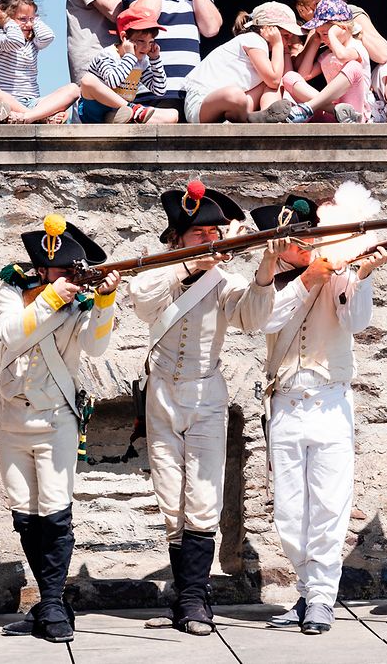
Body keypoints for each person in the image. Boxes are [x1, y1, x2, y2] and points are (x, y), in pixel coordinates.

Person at [128, 182, 282, 636]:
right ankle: (186, 595)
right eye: (201, 234)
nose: (211, 239)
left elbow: (253, 318)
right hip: (160, 396)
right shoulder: (159, 270)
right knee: (169, 500)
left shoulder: (226, 279)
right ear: (178, 237)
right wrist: (189, 266)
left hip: (206, 395)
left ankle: (195, 600)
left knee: (201, 501)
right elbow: (141, 299)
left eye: (215, 233)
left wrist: (266, 267)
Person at [256, 194, 387, 634]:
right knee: (290, 513)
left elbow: (356, 321)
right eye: (296, 240)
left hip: (330, 402)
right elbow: (265, 321)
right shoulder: (272, 281)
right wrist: (306, 280)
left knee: (330, 508)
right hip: (286, 404)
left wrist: (362, 273)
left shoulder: (339, 270)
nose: (304, 245)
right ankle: (305, 588)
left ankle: (320, 598)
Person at [0, 214, 121, 643]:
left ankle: (50, 605)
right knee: (25, 517)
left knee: (55, 514)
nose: (67, 278)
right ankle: (50, 603)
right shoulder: (16, 292)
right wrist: (49, 298)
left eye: (71, 272)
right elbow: (12, 335)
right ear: (42, 270)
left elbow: (97, 345)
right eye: (59, 271)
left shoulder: (79, 305)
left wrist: (104, 302)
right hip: (12, 420)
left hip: (55, 421)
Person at [178, 2, 302, 124]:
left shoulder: (261, 46)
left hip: (235, 110)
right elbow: (273, 80)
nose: (289, 42)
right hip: (202, 106)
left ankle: (267, 118)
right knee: (234, 95)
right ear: (268, 29)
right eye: (286, 36)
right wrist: (278, 44)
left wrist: (281, 47)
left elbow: (278, 80)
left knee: (268, 83)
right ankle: (251, 118)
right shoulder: (253, 39)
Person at [0, 0, 80, 124]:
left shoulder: (33, 42)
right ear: (6, 18)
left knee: (73, 89)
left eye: (32, 19)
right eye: (22, 19)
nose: (29, 24)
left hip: (32, 102)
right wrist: (6, 21)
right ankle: (40, 116)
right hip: (6, 102)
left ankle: (30, 116)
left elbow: (48, 36)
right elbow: (15, 41)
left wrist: (33, 19)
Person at [283, 0, 377, 123]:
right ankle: (334, 109)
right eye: (319, 34)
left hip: (354, 112)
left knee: (354, 67)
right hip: (331, 112)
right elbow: (304, 75)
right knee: (289, 76)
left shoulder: (356, 47)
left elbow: (342, 56)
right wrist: (316, 40)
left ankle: (308, 108)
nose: (323, 39)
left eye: (325, 34)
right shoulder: (327, 54)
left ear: (342, 28)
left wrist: (332, 34)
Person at [76, 5, 175, 124]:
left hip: (121, 112)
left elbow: (159, 90)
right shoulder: (108, 55)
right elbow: (113, 81)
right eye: (141, 41)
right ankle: (133, 112)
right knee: (88, 80)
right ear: (124, 38)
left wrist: (155, 59)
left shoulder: (141, 62)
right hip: (95, 110)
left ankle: (120, 118)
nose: (146, 47)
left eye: (151, 42)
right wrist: (130, 56)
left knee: (172, 115)